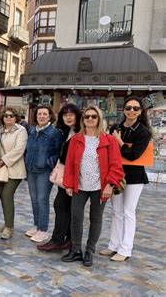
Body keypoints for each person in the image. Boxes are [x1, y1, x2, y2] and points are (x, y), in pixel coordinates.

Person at [62, 106, 124, 267]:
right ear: (83, 120)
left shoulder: (108, 140)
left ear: (99, 119)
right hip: (79, 186)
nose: (90, 119)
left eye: (93, 116)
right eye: (86, 117)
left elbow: (116, 165)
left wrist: (110, 185)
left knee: (96, 219)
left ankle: (89, 251)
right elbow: (69, 164)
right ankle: (76, 250)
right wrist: (68, 183)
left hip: (100, 187)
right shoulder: (76, 139)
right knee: (75, 218)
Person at [99, 96, 152, 262]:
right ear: (124, 109)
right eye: (129, 107)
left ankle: (125, 249)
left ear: (140, 111)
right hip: (116, 175)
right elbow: (109, 151)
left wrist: (120, 142)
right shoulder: (116, 127)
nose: (131, 111)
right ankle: (113, 245)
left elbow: (133, 155)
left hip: (134, 177)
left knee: (128, 211)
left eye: (135, 108)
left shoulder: (143, 131)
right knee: (116, 211)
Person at [38, 103, 82, 251]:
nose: (68, 118)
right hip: (65, 174)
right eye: (65, 115)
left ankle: (58, 241)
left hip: (73, 176)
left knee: (61, 205)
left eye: (71, 114)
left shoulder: (80, 133)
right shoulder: (65, 132)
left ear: (77, 116)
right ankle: (68, 239)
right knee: (67, 208)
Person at [24, 104, 62, 242]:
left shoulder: (54, 133)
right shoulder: (32, 130)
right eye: (39, 114)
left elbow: (59, 152)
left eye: (45, 114)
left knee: (42, 200)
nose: (42, 116)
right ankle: (37, 225)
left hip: (44, 171)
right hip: (31, 169)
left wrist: (49, 162)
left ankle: (43, 229)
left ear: (50, 116)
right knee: (34, 200)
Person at [0, 107, 28, 240]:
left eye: (12, 115)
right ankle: (7, 222)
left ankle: (9, 227)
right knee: (2, 197)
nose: (8, 117)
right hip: (0, 169)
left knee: (7, 195)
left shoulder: (21, 130)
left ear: (16, 118)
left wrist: (4, 160)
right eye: (6, 115)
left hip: (14, 169)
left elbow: (19, 149)